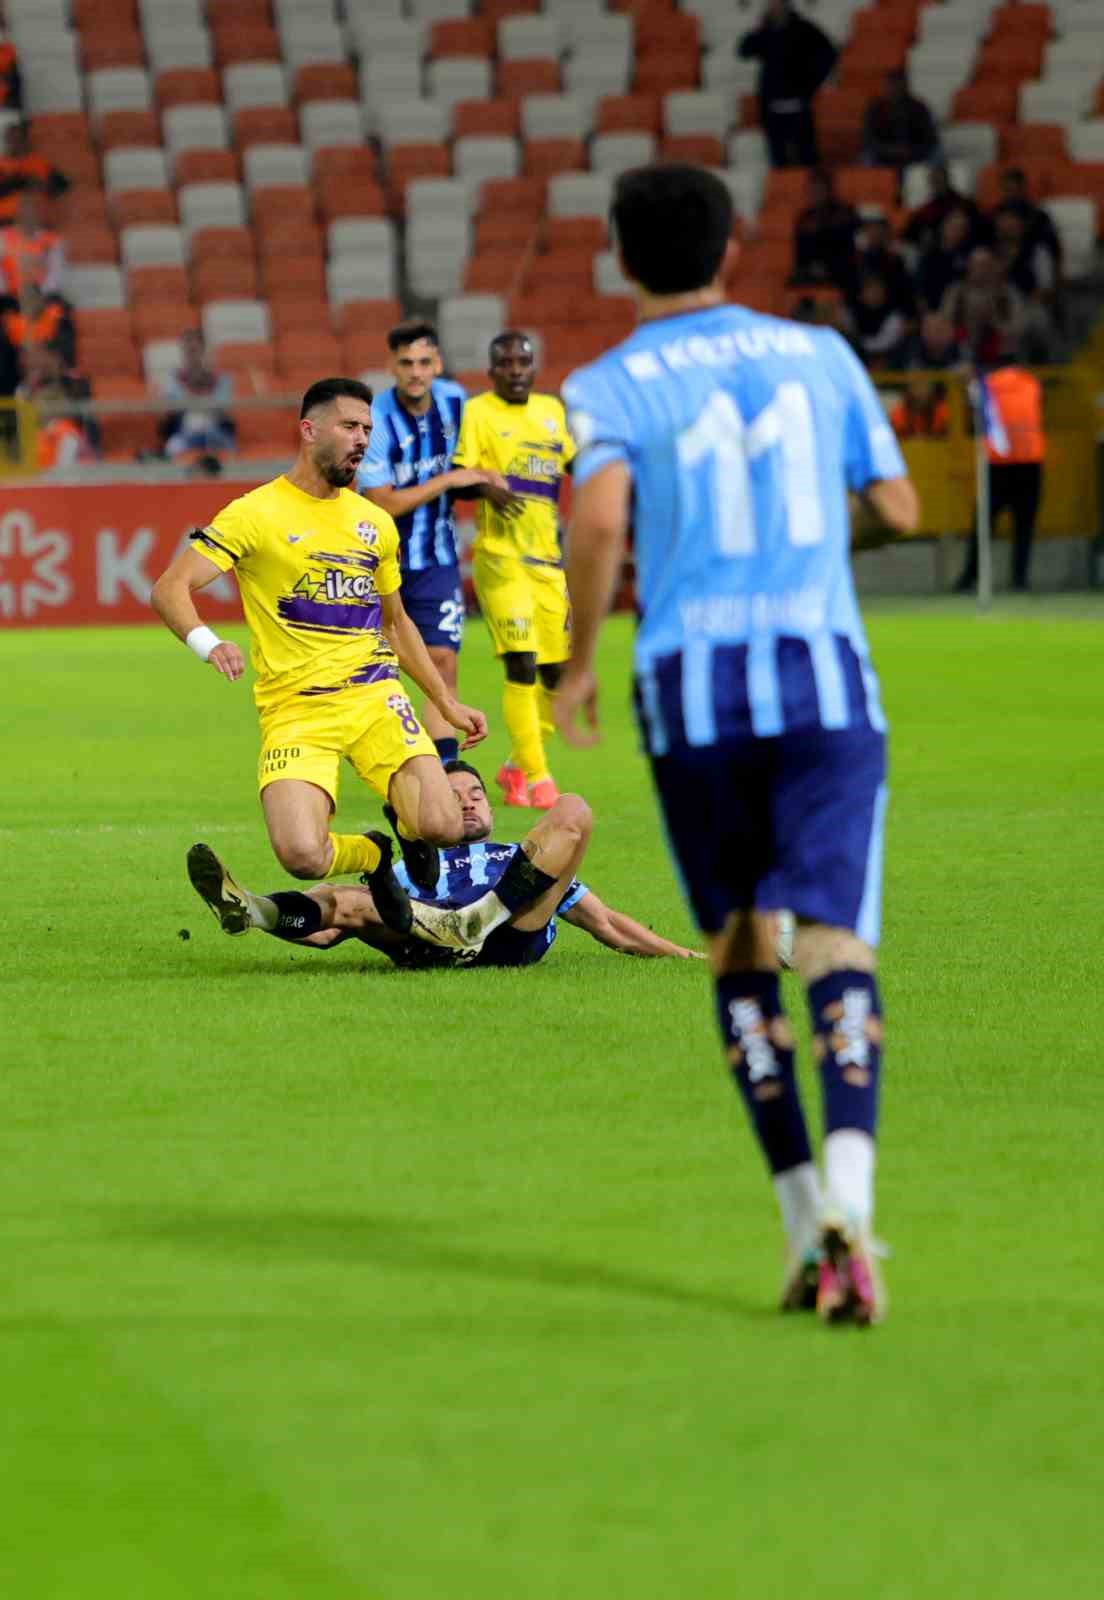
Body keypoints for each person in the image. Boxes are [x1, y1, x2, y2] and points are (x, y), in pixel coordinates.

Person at [557, 164, 919, 1324]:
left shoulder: (608, 380)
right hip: (822, 676)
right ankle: (853, 1200)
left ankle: (797, 1203)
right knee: (833, 940)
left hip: (691, 689)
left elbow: (603, 518)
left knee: (738, 947)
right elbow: (900, 507)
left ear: (620, 254)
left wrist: (573, 665)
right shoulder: (819, 355)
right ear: (733, 244)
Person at [150, 377, 489, 910]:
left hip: (375, 697)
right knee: (302, 855)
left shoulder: (375, 522)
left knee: (445, 826)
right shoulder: (254, 514)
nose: (362, 440)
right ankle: (374, 856)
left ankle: (407, 827)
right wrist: (208, 643)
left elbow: (396, 623)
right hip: (296, 708)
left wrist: (446, 702)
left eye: (368, 430)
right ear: (309, 431)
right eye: (350, 426)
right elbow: (171, 588)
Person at [185, 760, 703, 968]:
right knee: (346, 896)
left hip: (511, 933)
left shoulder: (517, 856)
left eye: (477, 793)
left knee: (574, 809)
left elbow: (607, 923)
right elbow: (329, 927)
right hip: (423, 934)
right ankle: (250, 908)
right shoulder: (417, 865)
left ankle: (482, 917)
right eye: (455, 797)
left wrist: (686, 956)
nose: (471, 802)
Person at [355, 319, 493, 762]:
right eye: (406, 363)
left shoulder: (457, 404)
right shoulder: (375, 420)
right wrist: (449, 478)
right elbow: (384, 502)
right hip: (377, 560)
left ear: (437, 364)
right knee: (374, 668)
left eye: (424, 362)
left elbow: (482, 460)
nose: (416, 371)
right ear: (391, 367)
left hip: (436, 558)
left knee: (442, 661)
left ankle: (447, 765)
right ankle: (382, 756)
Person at [453, 331, 576, 810]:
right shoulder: (479, 412)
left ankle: (516, 766)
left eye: (523, 361)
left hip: (548, 561)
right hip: (502, 560)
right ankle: (541, 779)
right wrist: (484, 486)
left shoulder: (552, 411)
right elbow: (459, 476)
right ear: (492, 370)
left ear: (533, 366)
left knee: (556, 676)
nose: (515, 369)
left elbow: (576, 461)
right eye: (505, 363)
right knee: (521, 662)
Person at [954, 359, 1045, 593]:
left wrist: (968, 381)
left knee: (983, 525)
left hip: (997, 464)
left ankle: (970, 577)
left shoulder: (987, 386)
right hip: (1030, 463)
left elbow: (972, 414)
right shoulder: (1031, 383)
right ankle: (1020, 579)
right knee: (1024, 527)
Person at [738, 0, 837, 169]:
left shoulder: (804, 29)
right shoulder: (766, 32)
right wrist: (761, 26)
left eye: (777, 3)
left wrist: (812, 83)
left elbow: (829, 54)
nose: (773, 7)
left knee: (808, 159)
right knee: (779, 162)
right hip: (772, 108)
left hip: (799, 106)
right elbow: (744, 50)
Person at [158, 328, 236, 460]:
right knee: (171, 450)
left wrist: (198, 395)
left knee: (231, 454)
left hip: (215, 431)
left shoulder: (222, 379)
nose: (192, 355)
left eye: (195, 350)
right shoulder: (172, 379)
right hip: (184, 432)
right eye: (188, 351)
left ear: (204, 351)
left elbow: (225, 408)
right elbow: (172, 408)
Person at [791, 170, 859, 291]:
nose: (816, 194)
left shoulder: (845, 214)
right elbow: (800, 253)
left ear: (829, 190)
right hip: (811, 271)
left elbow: (848, 247)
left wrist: (828, 267)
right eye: (813, 190)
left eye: (820, 189)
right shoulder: (804, 219)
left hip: (841, 270)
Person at [861, 69, 941, 172]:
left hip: (914, 154)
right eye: (891, 86)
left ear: (905, 86)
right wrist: (889, 150)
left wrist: (911, 150)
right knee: (866, 158)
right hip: (883, 155)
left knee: (937, 155)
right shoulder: (875, 109)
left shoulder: (919, 108)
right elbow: (868, 139)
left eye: (898, 86)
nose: (894, 89)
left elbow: (930, 138)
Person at [902, 165, 986, 253]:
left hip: (966, 250)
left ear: (947, 179)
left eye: (940, 179)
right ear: (930, 183)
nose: (938, 183)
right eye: (934, 180)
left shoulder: (965, 205)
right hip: (936, 253)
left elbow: (981, 229)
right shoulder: (926, 210)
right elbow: (909, 235)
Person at [0, 186, 64, 298]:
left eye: (32, 209)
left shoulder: (52, 241)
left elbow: (55, 274)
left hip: (42, 295)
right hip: (9, 296)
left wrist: (39, 292)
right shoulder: (3, 237)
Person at [0, 122, 69, 225]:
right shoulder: (1, 164)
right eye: (11, 139)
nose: (15, 143)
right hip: (4, 220)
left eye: (18, 139)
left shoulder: (40, 163)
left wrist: (40, 185)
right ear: (6, 141)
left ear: (26, 140)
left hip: (35, 219)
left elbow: (62, 186)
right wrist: (18, 182)